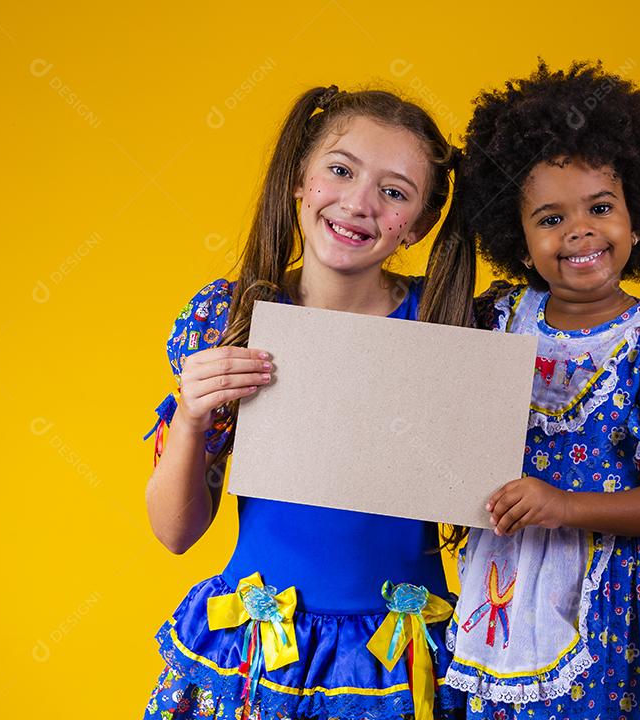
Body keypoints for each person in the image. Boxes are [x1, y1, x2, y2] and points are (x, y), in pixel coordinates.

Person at [140, 84, 475, 720]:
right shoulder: (229, 319)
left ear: (422, 223)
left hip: (399, 657)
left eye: (394, 191)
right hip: (262, 648)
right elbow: (175, 531)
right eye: (341, 170)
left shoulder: (449, 325)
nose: (358, 203)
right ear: (301, 180)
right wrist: (189, 417)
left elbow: (547, 457)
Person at [444, 61, 640, 719]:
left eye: (600, 208)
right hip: (501, 579)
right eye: (550, 218)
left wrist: (565, 507)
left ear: (638, 222)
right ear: (518, 244)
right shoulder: (496, 321)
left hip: (608, 602)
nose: (579, 230)